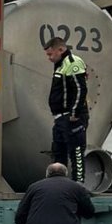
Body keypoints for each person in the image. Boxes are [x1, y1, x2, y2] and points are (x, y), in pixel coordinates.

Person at [44, 36, 89, 183]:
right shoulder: (59, 64)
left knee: (76, 151)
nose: (49, 58)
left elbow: (80, 89)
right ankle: (59, 183)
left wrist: (75, 113)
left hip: (72, 117)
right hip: (60, 118)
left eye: (51, 54)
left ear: (61, 49)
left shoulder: (72, 62)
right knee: (59, 151)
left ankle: (79, 183)